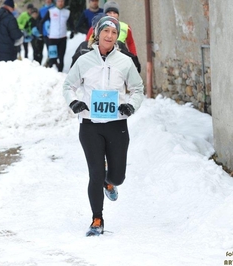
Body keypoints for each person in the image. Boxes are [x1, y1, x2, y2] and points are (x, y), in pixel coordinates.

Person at [63, 16, 144, 236]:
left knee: (117, 177)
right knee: (95, 174)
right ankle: (97, 219)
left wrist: (130, 106)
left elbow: (138, 89)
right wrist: (74, 102)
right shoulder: (84, 60)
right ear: (97, 33)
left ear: (117, 37)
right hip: (90, 125)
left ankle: (111, 182)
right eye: (106, 31)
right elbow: (68, 85)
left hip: (117, 125)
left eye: (114, 33)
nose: (109, 36)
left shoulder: (125, 62)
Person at [71, 13, 141, 73]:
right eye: (100, 30)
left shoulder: (119, 47)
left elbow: (134, 68)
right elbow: (72, 74)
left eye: (107, 30)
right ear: (94, 30)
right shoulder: (83, 48)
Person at [40, 0, 75, 72]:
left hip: (62, 38)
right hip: (52, 38)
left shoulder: (67, 12)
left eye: (62, 1)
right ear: (56, 2)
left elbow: (71, 24)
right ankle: (51, 73)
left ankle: (60, 73)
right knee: (52, 58)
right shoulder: (51, 11)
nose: (61, 3)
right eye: (59, 1)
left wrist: (72, 31)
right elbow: (41, 22)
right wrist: (42, 33)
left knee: (61, 57)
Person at [0, 0, 23, 65]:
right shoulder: (10, 18)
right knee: (6, 73)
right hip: (8, 53)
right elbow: (15, 35)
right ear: (11, 7)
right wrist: (21, 34)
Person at [38, 0, 55, 66]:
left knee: (54, 49)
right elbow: (39, 21)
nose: (48, 1)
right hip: (45, 33)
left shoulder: (54, 8)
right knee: (49, 48)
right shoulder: (41, 10)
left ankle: (53, 62)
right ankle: (50, 63)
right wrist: (40, 32)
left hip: (54, 33)